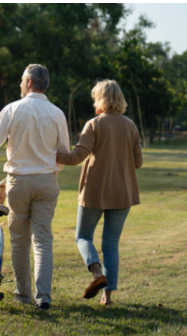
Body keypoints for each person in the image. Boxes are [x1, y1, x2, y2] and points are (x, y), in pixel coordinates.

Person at [0, 64, 69, 311]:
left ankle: (23, 294)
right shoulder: (58, 113)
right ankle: (44, 297)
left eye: (21, 81)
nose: (19, 85)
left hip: (18, 182)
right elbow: (63, 154)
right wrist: (49, 170)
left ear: (29, 83)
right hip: (47, 181)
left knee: (19, 240)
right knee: (43, 239)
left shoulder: (13, 109)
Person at [56, 79, 142, 306]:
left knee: (83, 236)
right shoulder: (131, 125)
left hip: (94, 192)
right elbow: (138, 162)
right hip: (123, 194)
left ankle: (96, 274)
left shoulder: (93, 125)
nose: (93, 102)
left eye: (95, 98)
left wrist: (52, 154)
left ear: (101, 99)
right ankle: (107, 297)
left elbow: (76, 157)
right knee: (111, 244)